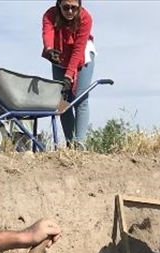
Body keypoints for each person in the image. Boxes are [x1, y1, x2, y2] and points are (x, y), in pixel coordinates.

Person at [41, 0, 95, 149]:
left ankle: (80, 143)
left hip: (82, 57)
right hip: (60, 57)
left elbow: (78, 50)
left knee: (79, 98)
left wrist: (68, 76)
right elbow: (48, 33)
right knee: (62, 102)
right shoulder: (50, 14)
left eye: (73, 7)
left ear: (79, 6)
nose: (70, 11)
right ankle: (71, 145)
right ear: (59, 5)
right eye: (66, 7)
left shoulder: (85, 18)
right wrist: (49, 49)